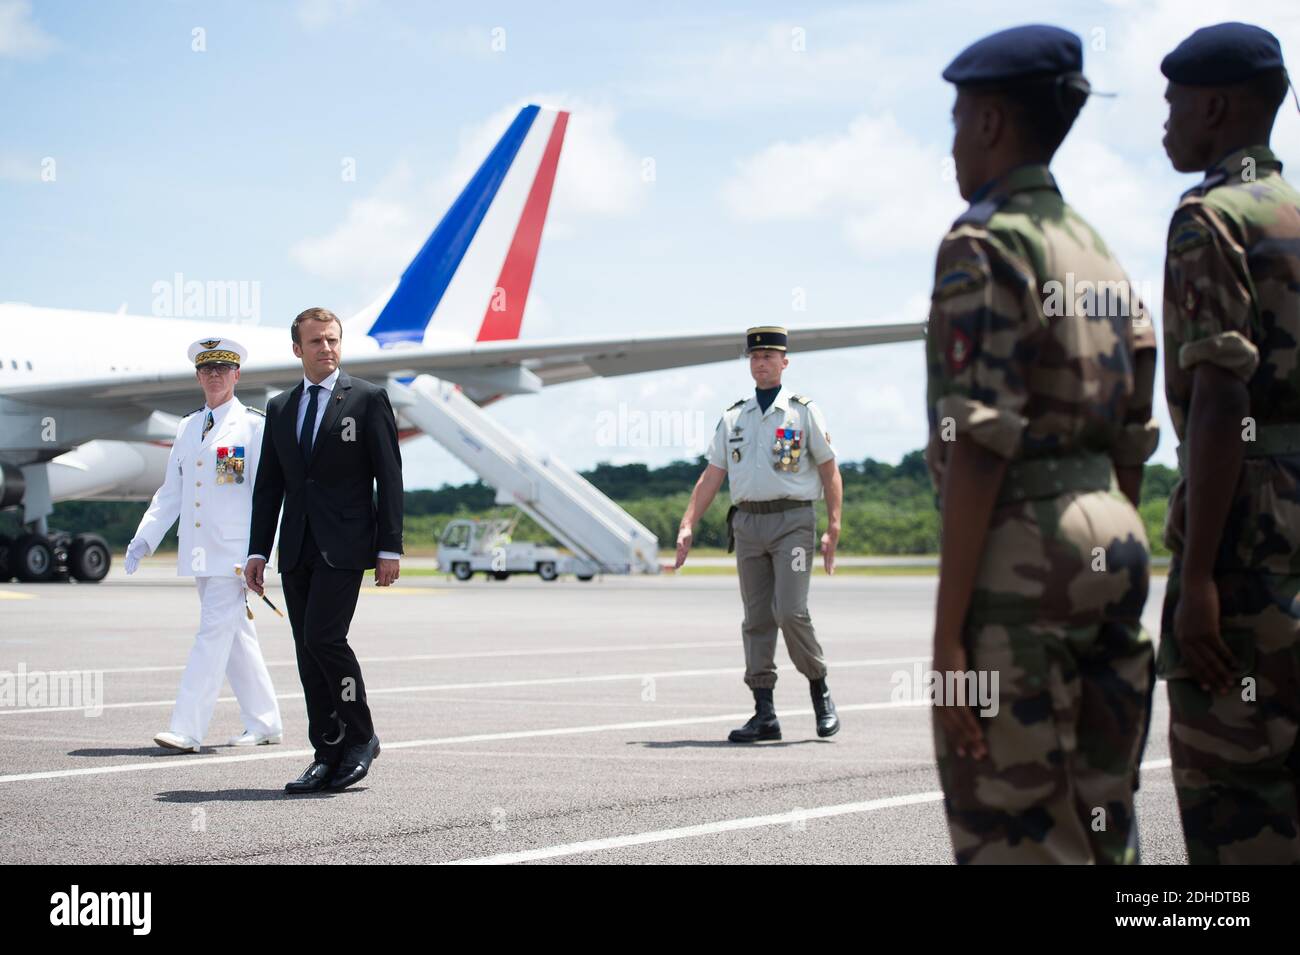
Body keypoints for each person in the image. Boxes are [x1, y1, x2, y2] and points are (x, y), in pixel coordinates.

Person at [924, 25, 1159, 863]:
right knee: (1102, 816)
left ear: (991, 122)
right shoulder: (1097, 249)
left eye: (958, 119)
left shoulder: (984, 244)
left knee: (1015, 827)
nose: (951, 141)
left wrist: (949, 637)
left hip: (1023, 552)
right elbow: (1136, 417)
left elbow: (981, 438)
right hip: (1115, 535)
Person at [1157, 22, 1300, 865]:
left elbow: (1219, 396)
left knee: (1236, 807)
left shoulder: (1211, 218)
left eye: (1174, 103)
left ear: (1215, 106)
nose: (1166, 122)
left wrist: (1199, 574)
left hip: (1247, 542)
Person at [244, 307, 404, 793]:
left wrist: (389, 546)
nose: (326, 349)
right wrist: (257, 551)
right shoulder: (280, 407)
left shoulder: (368, 400)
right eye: (315, 342)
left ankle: (361, 737)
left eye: (333, 340)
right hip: (296, 546)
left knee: (324, 639)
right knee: (306, 649)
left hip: (347, 543)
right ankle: (326, 750)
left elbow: (389, 477)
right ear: (298, 348)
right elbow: (269, 486)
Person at [676, 325, 842, 743]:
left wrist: (834, 523)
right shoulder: (734, 416)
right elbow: (712, 475)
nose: (761, 363)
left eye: (769, 356)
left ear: (784, 362)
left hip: (793, 522)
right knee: (756, 619)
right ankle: (764, 712)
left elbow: (828, 468)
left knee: (790, 611)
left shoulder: (803, 411)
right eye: (754, 357)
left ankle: (819, 688)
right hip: (747, 524)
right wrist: (687, 523)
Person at [127, 337, 283, 753]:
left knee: (212, 635)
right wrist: (145, 536)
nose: (214, 375)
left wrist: (262, 554)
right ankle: (265, 721)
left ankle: (187, 729)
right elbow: (172, 491)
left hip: (236, 555)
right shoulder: (188, 426)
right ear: (198, 376)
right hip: (199, 551)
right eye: (207, 369)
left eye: (222, 369)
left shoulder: (253, 425)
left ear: (236, 375)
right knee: (234, 636)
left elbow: (267, 496)